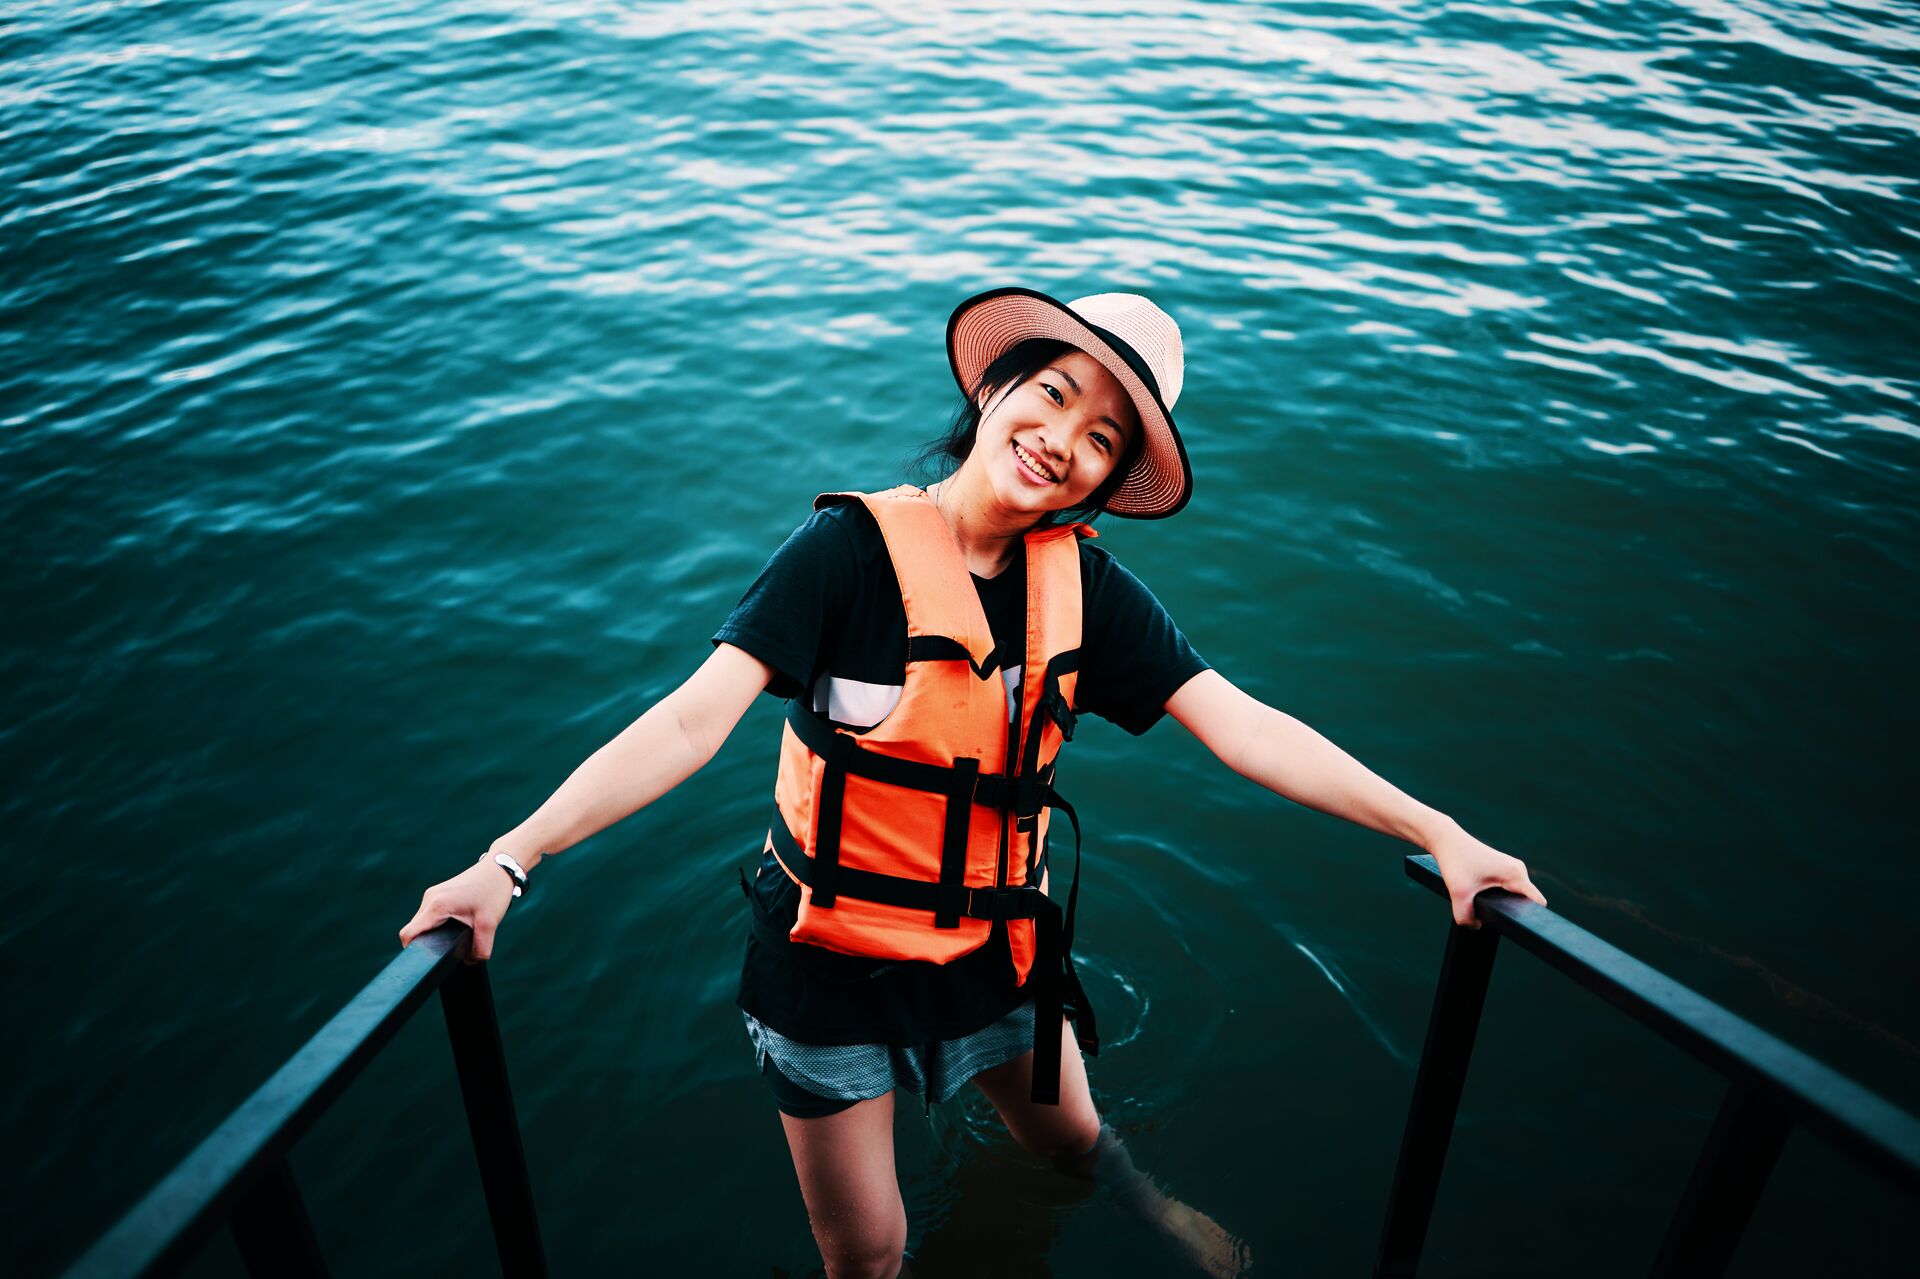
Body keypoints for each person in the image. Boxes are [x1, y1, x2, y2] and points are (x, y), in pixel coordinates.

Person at [399, 286, 1548, 1279]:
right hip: (831, 967)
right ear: (996, 390)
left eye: (1101, 437)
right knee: (875, 1255)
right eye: (1052, 393)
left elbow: (1242, 724)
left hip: (997, 953)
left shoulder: (1088, 595)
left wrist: (1436, 827)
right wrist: (513, 855)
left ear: (1105, 479)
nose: (1063, 439)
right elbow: (692, 718)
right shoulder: (845, 556)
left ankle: (1147, 1208)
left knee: (1077, 1144)